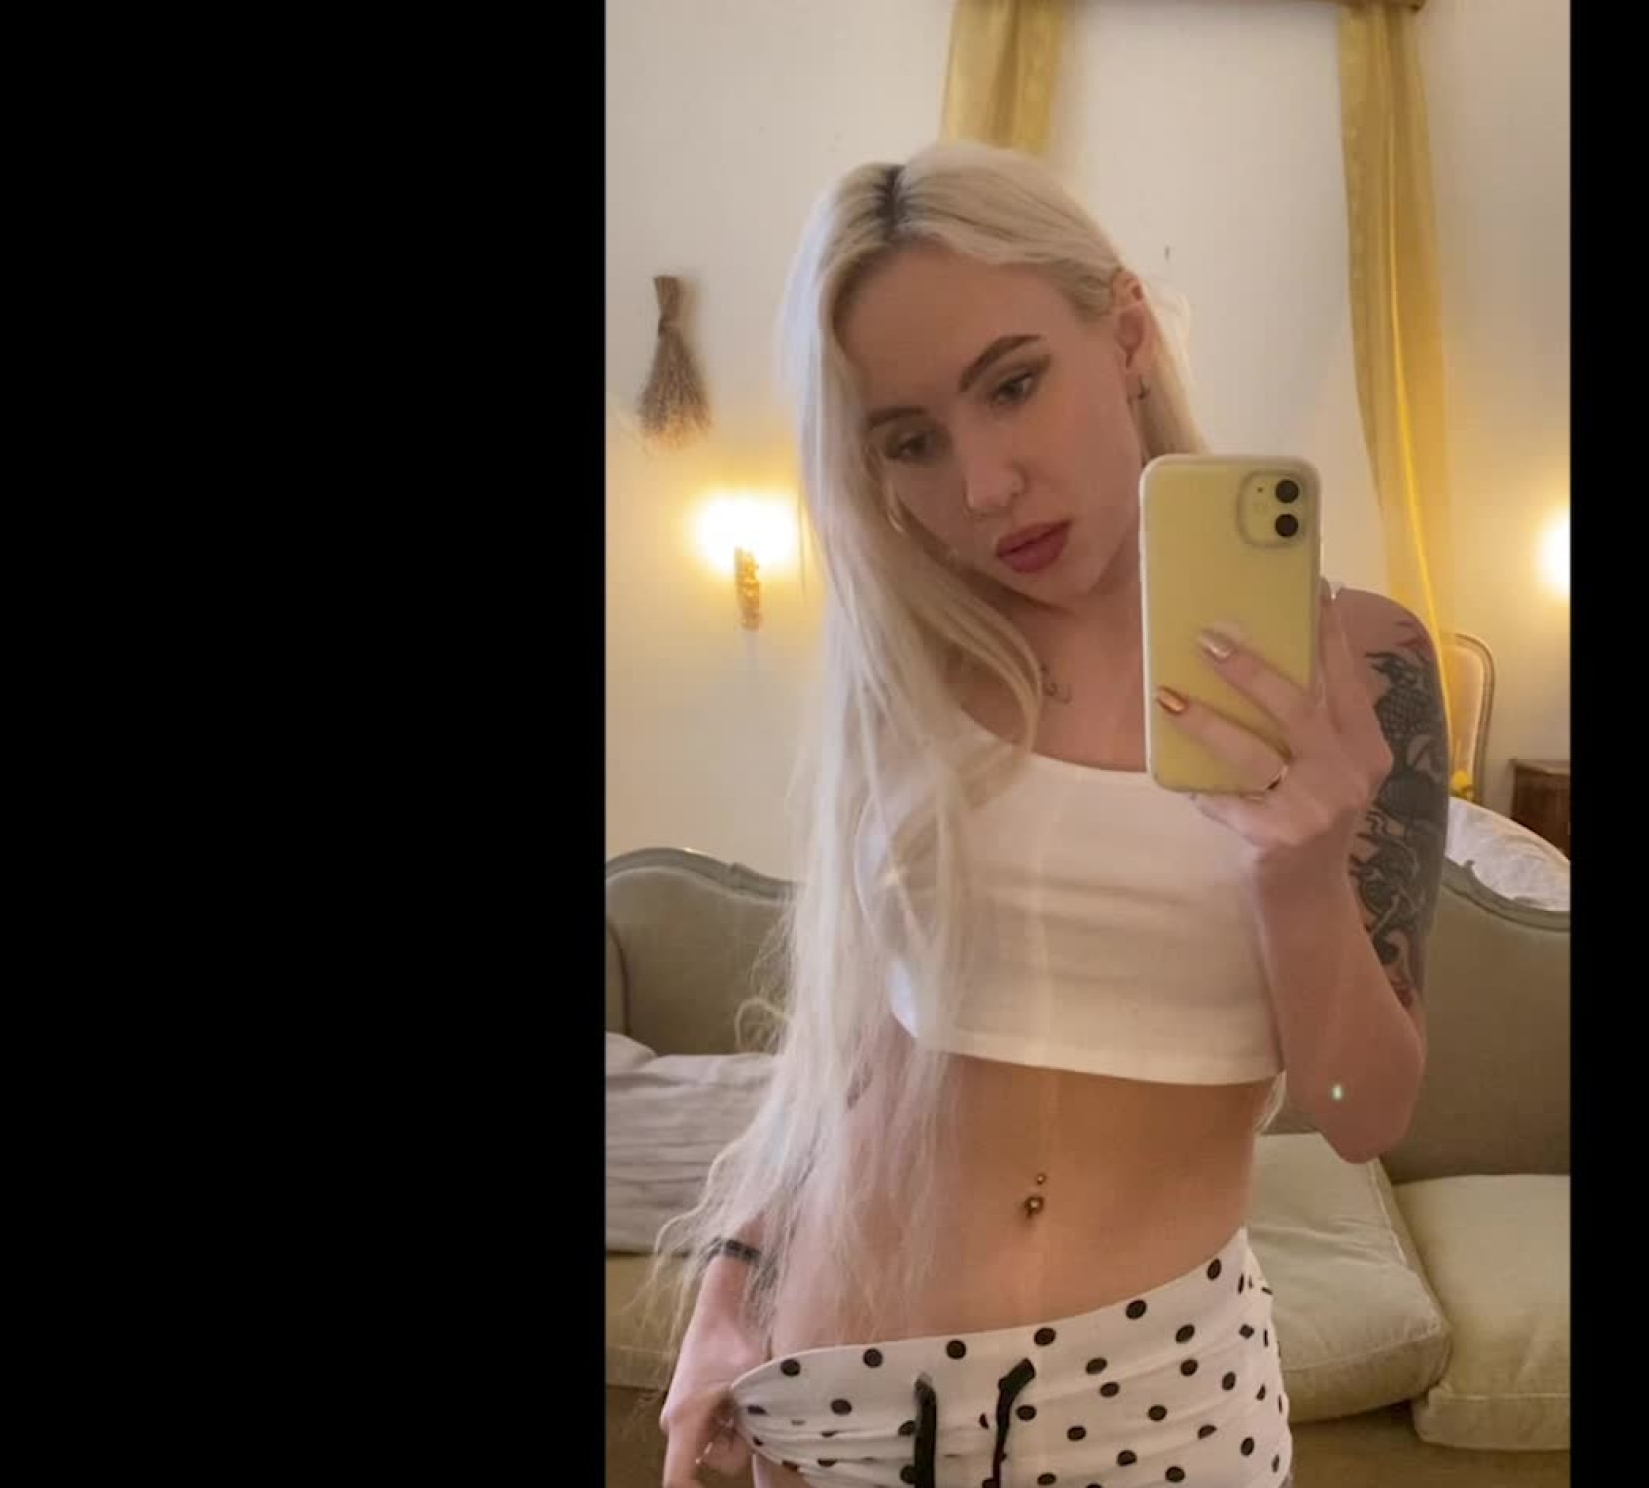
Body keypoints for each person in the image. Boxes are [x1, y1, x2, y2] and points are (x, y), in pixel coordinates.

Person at [644, 139, 1448, 1488]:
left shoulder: (1360, 666)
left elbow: (1363, 1111)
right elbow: (854, 1045)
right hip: (846, 1387)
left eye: (1012, 385)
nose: (982, 486)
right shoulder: (913, 669)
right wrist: (729, 1289)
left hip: (1159, 1406)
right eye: (910, 442)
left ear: (1124, 334)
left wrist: (1300, 879)